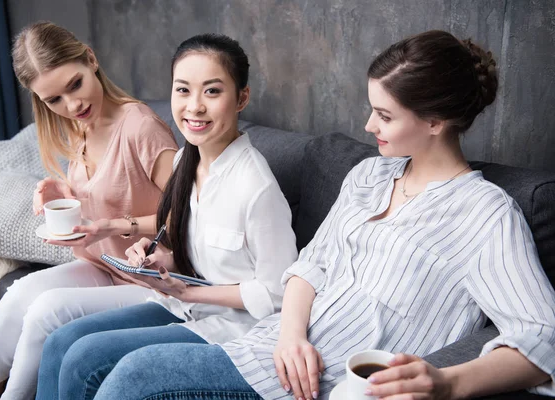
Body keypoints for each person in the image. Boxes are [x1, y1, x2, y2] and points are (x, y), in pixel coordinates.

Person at [90, 30, 555, 400]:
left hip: (327, 383)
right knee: (107, 364)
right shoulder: (369, 176)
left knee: (134, 376)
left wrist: (449, 382)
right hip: (270, 346)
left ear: (435, 122)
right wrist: (290, 337)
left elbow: (542, 337)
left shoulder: (485, 215)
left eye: (384, 116)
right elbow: (309, 266)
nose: (369, 126)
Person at [34, 33, 298, 400]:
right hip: (183, 304)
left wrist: (190, 290)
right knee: (63, 342)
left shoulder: (257, 188)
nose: (195, 107)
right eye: (183, 90)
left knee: (86, 359)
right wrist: (159, 257)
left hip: (231, 327)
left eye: (212, 91)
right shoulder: (184, 164)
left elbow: (278, 293)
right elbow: (195, 248)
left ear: (241, 98)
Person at [0, 22, 179, 400]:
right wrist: (67, 192)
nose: (72, 105)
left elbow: (188, 214)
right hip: (109, 266)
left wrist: (112, 225)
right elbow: (118, 188)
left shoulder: (140, 127)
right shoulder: (82, 126)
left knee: (46, 310)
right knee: (19, 293)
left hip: (156, 279)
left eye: (75, 85)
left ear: (91, 59)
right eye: (54, 100)